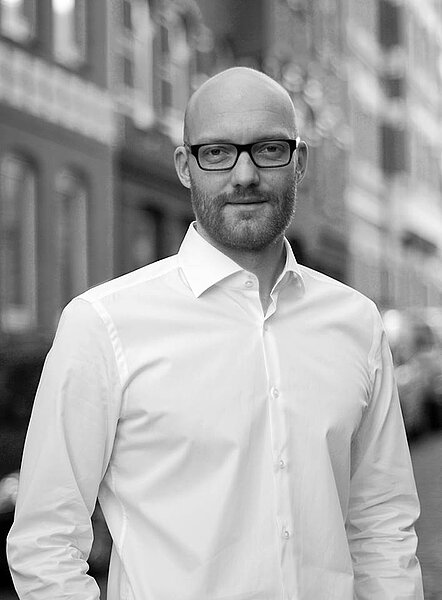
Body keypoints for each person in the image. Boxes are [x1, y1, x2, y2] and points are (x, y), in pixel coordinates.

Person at [7, 67, 423, 600]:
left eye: (268, 149)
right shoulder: (102, 325)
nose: (244, 175)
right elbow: (45, 541)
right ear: (185, 166)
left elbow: (382, 522)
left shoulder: (357, 323)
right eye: (218, 152)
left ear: (299, 162)